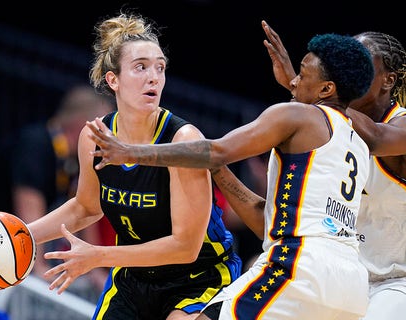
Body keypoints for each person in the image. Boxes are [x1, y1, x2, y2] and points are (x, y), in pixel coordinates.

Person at [86, 31, 375, 320]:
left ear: (326, 90)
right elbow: (268, 223)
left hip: (300, 265)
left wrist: (131, 153)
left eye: (301, 74)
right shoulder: (358, 146)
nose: (293, 81)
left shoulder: (296, 116)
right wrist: (217, 171)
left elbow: (216, 151)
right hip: (351, 286)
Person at [26, 12, 241, 320]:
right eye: (140, 67)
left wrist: (97, 257)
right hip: (136, 276)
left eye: (160, 67)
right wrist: (22, 235)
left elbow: (185, 247)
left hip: (199, 276)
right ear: (113, 79)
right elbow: (86, 208)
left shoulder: (183, 139)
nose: (154, 76)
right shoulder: (93, 136)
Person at [261, 20, 406, 319]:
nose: (347, 71)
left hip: (405, 283)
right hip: (347, 279)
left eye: (360, 63)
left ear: (388, 81)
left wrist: (306, 89)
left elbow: (374, 138)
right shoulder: (332, 125)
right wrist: (306, 87)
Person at [0, 84, 117, 284]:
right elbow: (29, 213)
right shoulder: (36, 145)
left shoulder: (71, 159)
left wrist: (94, 267)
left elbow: (82, 206)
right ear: (83, 124)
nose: (108, 136)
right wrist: (38, 269)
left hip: (1, 240)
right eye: (104, 128)